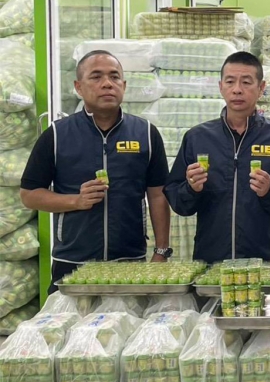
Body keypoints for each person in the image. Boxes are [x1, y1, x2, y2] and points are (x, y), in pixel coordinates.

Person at [20, 50, 171, 293]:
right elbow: (29, 195)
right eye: (96, 77)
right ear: (78, 87)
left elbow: (157, 194)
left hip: (129, 262)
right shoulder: (56, 135)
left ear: (124, 85)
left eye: (114, 76)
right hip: (72, 262)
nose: (107, 84)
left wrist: (161, 251)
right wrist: (76, 201)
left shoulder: (145, 133)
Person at [164, 52, 270, 263]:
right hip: (211, 260)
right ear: (221, 86)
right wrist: (191, 188)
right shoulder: (197, 137)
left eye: (246, 82)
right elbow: (177, 201)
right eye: (230, 81)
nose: (237, 89)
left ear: (261, 88)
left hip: (263, 260)